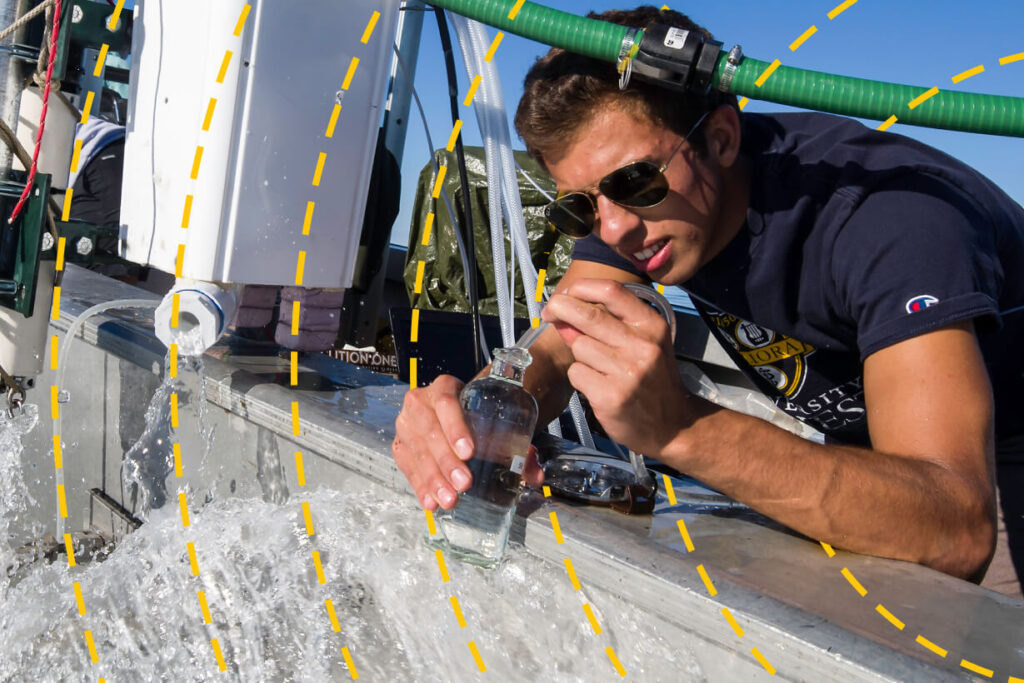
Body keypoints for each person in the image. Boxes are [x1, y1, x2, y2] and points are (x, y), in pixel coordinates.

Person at [392, 6, 1024, 594]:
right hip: (868, 443)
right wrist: (477, 416)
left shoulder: (890, 223)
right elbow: (559, 344)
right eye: (580, 206)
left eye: (635, 183)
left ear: (721, 139)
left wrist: (679, 426)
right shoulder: (645, 217)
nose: (612, 232)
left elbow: (956, 525)